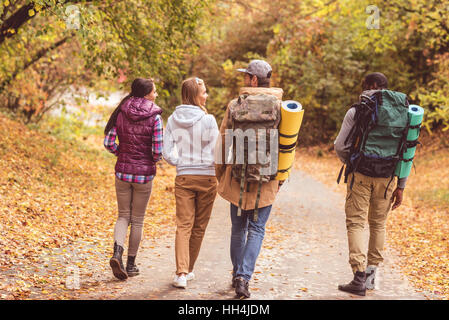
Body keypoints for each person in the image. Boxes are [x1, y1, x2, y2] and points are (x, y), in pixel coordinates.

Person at [215, 60, 285, 299]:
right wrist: (282, 177)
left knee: (238, 229)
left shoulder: (235, 105)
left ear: (254, 80)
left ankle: (237, 274)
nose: (244, 80)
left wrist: (220, 173)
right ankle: (244, 278)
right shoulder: (281, 107)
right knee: (257, 229)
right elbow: (287, 146)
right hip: (266, 179)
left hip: (237, 176)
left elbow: (223, 142)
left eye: (246, 76)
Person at [334, 72, 408, 296]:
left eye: (364, 86)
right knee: (378, 224)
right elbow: (407, 151)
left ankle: (358, 277)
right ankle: (371, 276)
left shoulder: (357, 110)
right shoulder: (403, 113)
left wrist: (351, 162)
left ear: (371, 86)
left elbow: (340, 145)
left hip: (361, 174)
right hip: (387, 177)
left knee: (356, 223)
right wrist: (401, 185)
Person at [104, 78, 163, 280]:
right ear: (147, 94)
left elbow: (109, 142)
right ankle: (130, 265)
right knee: (137, 220)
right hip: (144, 175)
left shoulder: (121, 111)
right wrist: (151, 160)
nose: (156, 95)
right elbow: (157, 151)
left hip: (122, 172)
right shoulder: (155, 115)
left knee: (123, 216)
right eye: (154, 92)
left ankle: (116, 254)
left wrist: (123, 154)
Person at [163, 77, 219, 289]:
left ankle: (182, 273)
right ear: (194, 95)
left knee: (183, 225)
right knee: (199, 226)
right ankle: (187, 270)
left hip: (184, 177)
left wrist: (183, 163)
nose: (206, 96)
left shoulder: (173, 119)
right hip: (206, 177)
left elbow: (166, 152)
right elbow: (216, 151)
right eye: (203, 92)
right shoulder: (208, 120)